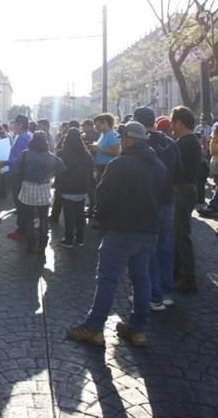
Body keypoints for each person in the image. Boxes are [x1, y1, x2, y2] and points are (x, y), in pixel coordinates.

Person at [66, 122, 168, 348]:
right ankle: (138, 328)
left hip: (121, 230)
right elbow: (164, 197)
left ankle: (94, 328)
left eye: (122, 139)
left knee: (107, 279)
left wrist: (104, 223)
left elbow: (104, 199)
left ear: (128, 140)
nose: (121, 142)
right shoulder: (159, 165)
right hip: (148, 230)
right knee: (142, 279)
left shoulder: (119, 164)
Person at [133, 106, 181, 310]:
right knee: (165, 246)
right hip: (168, 199)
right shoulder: (170, 143)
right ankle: (167, 291)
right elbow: (179, 173)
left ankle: (153, 295)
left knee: (147, 249)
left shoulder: (139, 144)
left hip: (146, 202)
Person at [11, 132, 66, 255]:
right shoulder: (51, 157)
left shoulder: (25, 154)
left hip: (27, 188)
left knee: (29, 218)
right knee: (43, 217)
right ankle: (43, 243)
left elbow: (15, 169)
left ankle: (31, 245)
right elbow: (62, 169)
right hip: (44, 189)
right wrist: (50, 175)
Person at [170, 106, 201, 293]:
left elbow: (174, 169)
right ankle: (179, 271)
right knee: (179, 233)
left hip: (181, 189)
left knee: (181, 235)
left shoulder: (183, 143)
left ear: (179, 122)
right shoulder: (191, 141)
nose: (171, 126)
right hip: (187, 188)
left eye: (172, 122)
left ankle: (188, 278)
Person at [56, 127, 95, 247]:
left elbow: (58, 172)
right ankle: (80, 239)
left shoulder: (61, 154)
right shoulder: (87, 155)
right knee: (80, 214)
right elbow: (90, 172)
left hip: (67, 187)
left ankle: (68, 239)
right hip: (82, 188)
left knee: (68, 215)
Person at [3, 115, 33, 241]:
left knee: (20, 202)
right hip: (20, 173)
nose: (13, 126)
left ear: (20, 124)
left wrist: (6, 162)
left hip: (18, 173)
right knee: (22, 202)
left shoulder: (22, 137)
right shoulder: (26, 135)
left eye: (14, 123)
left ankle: (22, 230)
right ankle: (24, 228)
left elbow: (21, 158)